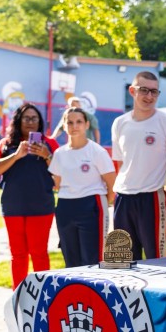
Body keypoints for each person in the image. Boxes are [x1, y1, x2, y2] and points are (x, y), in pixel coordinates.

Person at [0, 103, 59, 288]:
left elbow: (62, 175)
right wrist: (16, 155)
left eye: (34, 118)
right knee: (18, 255)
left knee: (39, 253)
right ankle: (18, 297)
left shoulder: (49, 143)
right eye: (26, 118)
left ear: (40, 122)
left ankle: (44, 296)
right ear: (18, 121)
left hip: (41, 207)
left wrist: (46, 156)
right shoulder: (7, 143)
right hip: (13, 207)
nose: (30, 122)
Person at [111, 71, 166, 259]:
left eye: (154, 92)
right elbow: (120, 163)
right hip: (123, 199)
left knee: (155, 258)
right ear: (132, 91)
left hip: (152, 198)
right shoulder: (120, 123)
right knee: (123, 258)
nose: (149, 96)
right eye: (144, 90)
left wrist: (165, 195)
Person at [48, 107, 115, 267]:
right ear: (64, 126)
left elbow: (111, 184)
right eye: (69, 122)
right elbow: (56, 184)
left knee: (92, 259)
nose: (74, 126)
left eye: (79, 122)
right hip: (65, 206)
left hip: (92, 205)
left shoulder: (96, 151)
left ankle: (94, 291)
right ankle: (74, 292)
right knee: (71, 259)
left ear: (86, 125)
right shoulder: (59, 154)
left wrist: (104, 204)